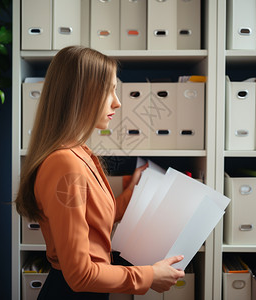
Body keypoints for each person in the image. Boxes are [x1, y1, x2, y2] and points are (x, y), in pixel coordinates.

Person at [15, 46, 185, 299]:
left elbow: (96, 217)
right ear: (80, 95)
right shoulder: (65, 164)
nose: (117, 101)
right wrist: (149, 275)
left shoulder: (79, 152)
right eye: (110, 90)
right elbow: (80, 275)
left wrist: (135, 190)